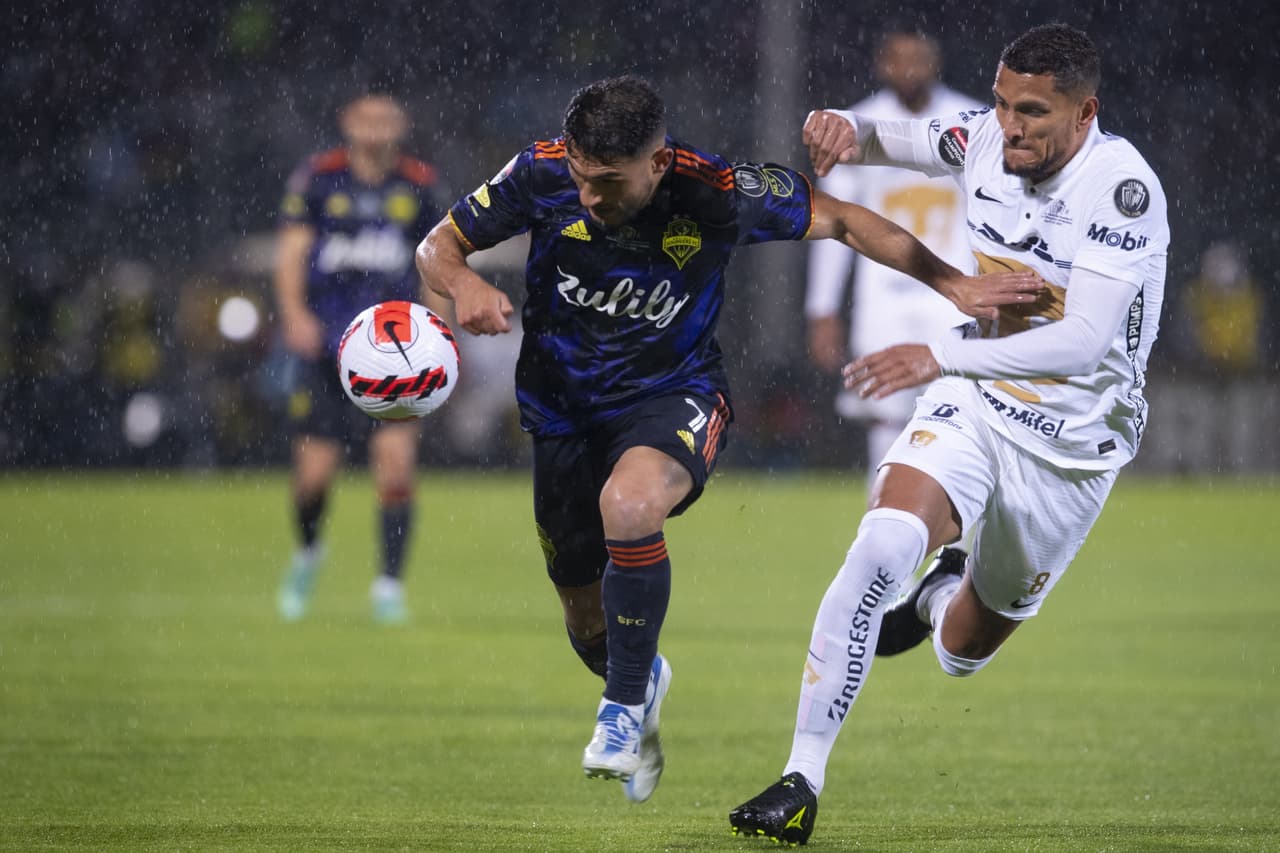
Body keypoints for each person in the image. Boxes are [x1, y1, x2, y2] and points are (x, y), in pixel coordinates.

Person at [416, 75, 1040, 804]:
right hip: (561, 412)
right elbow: (439, 245)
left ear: (655, 163)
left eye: (607, 184)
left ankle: (618, 712)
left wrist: (954, 284)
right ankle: (639, 684)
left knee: (630, 505)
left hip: (674, 394)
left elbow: (842, 219)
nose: (589, 197)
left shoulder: (717, 189)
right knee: (589, 624)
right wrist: (459, 284)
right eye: (582, 180)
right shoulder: (542, 170)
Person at [730, 24, 1169, 845]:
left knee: (961, 649)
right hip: (979, 397)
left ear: (1085, 113)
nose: (1011, 128)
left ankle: (940, 593)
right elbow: (879, 136)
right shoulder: (980, 143)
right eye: (1003, 105)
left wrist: (935, 352)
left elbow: (1084, 343)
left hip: (1073, 450)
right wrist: (838, 125)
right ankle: (800, 777)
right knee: (880, 545)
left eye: (1034, 112)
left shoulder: (1121, 190)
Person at [274, 90, 449, 625]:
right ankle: (308, 552)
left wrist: (438, 332)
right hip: (328, 347)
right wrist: (294, 314)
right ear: (347, 123)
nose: (374, 130)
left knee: (395, 468)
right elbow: (291, 252)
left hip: (394, 354)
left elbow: (437, 260)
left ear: (401, 125)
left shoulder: (420, 185)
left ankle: (388, 587)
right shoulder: (319, 178)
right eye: (365, 120)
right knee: (313, 478)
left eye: (385, 120)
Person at [806, 26, 983, 482]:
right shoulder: (857, 126)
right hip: (883, 293)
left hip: (950, 287)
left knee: (961, 408)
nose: (910, 70)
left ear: (935, 63)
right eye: (899, 60)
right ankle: (885, 515)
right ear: (882, 65)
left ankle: (952, 522)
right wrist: (822, 308)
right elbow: (835, 220)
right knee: (884, 413)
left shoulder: (968, 122)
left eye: (919, 60)